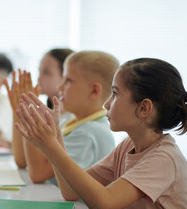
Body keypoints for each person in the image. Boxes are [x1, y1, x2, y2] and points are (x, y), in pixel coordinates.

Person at [15, 58, 187, 209]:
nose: (106, 104)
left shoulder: (165, 158)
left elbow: (103, 204)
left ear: (144, 108)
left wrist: (50, 146)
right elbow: (70, 191)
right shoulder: (128, 145)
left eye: (115, 94)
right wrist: (55, 134)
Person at [7, 51, 118, 187]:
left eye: (68, 80)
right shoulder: (69, 122)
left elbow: (38, 174)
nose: (60, 86)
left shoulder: (88, 132)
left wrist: (29, 112)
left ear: (94, 91)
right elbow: (22, 161)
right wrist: (19, 111)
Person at [5, 48, 74, 169]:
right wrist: (19, 110)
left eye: (46, 72)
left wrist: (27, 109)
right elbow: (21, 160)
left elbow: (37, 171)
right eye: (39, 71)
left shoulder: (71, 119)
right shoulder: (48, 114)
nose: (39, 78)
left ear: (65, 76)